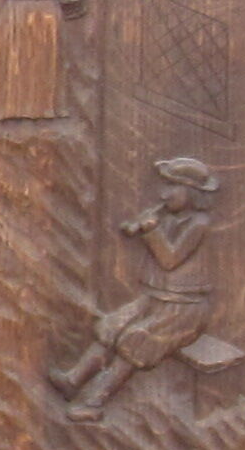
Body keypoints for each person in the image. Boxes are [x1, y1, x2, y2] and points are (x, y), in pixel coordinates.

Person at [52, 158, 222, 418]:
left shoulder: (198, 225)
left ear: (191, 193)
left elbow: (169, 260)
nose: (163, 194)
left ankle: (94, 403)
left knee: (137, 338)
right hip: (156, 299)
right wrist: (145, 225)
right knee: (112, 325)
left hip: (185, 309)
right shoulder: (167, 216)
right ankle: (73, 380)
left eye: (172, 187)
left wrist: (151, 232)